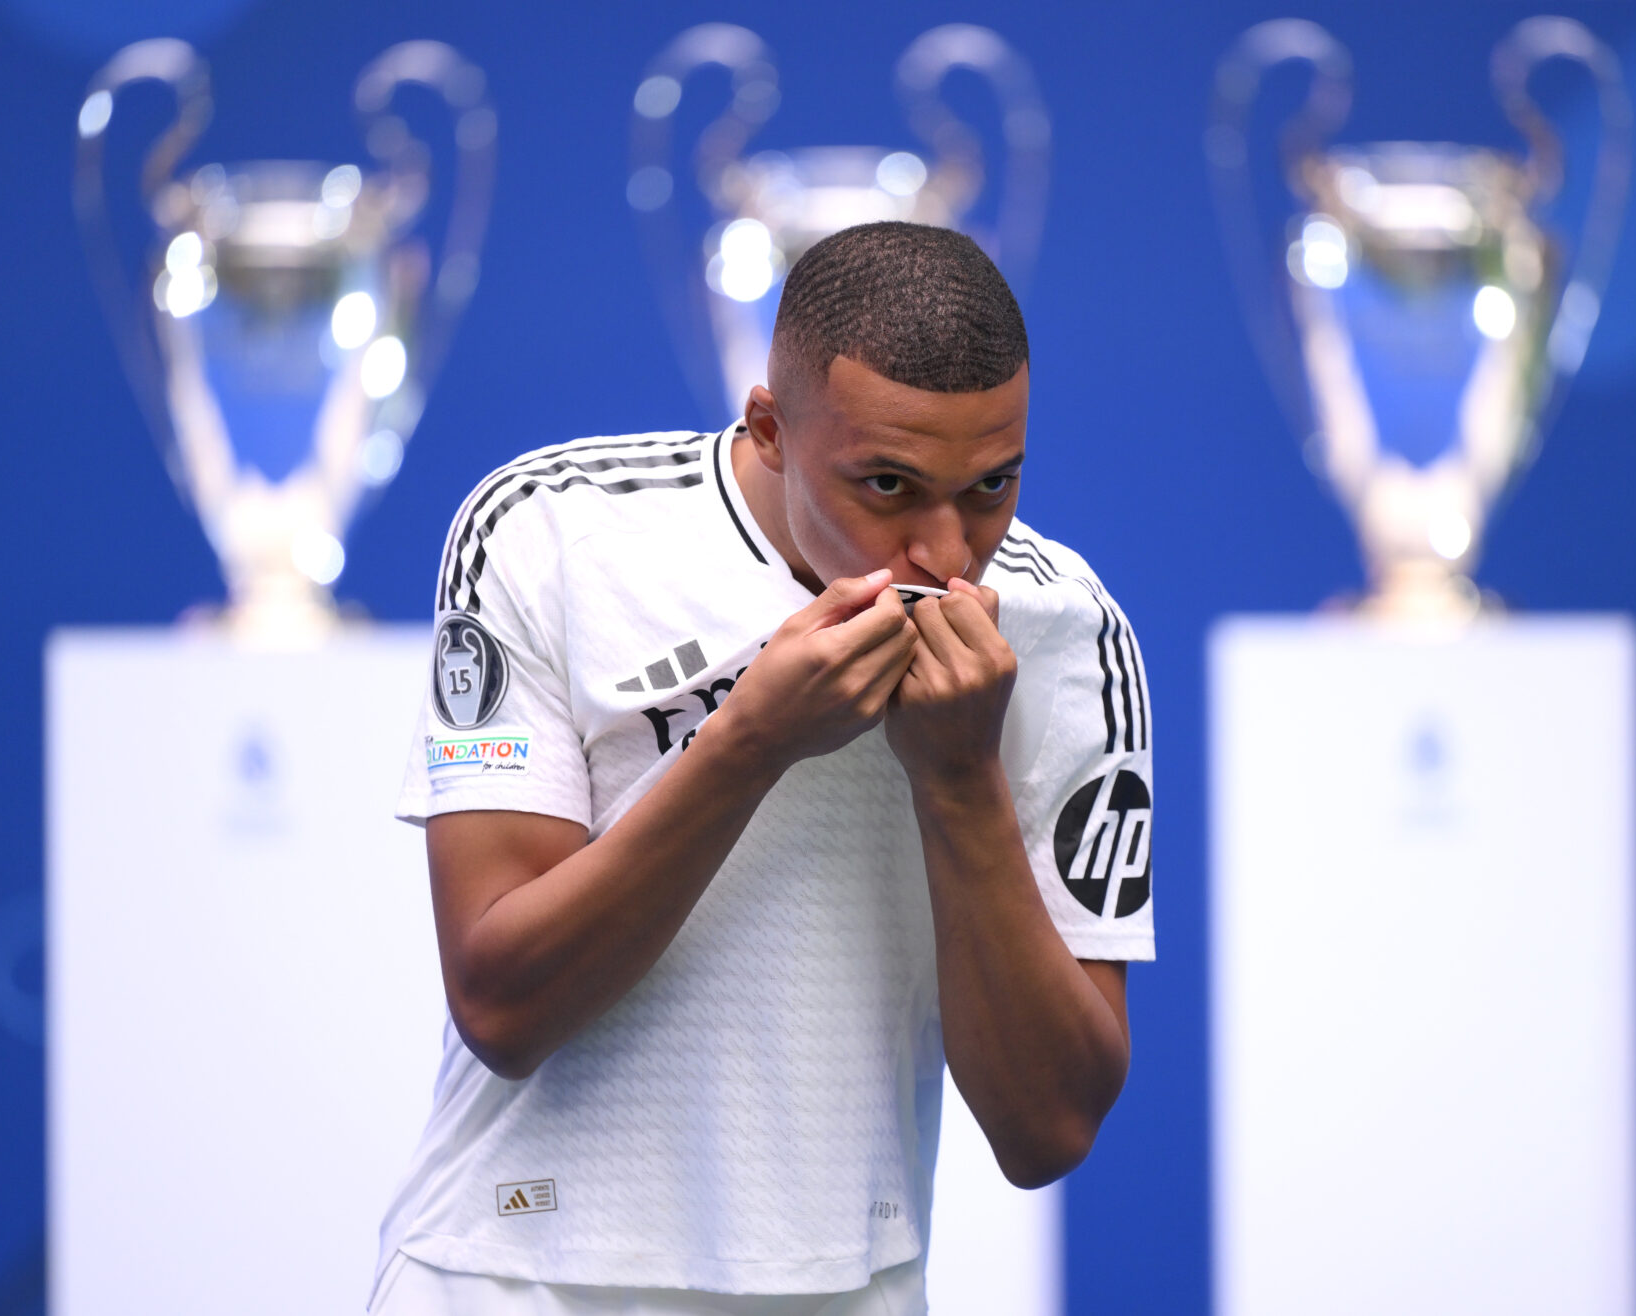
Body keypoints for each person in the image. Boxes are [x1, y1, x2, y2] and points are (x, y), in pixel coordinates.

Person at [370, 221, 1154, 1315]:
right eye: (887, 483)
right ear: (770, 428)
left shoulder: (1067, 627)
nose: (943, 548)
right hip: (511, 1277)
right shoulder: (547, 529)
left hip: (852, 1287)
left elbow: (1050, 1129)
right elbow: (502, 1005)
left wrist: (960, 780)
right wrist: (749, 742)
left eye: (991, 484)